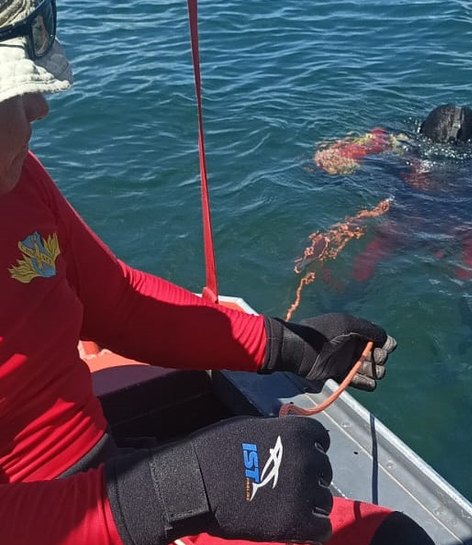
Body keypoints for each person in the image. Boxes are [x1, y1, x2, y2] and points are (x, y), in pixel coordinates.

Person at [0, 1, 435, 545]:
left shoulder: (21, 183)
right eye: (15, 95)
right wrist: (179, 492)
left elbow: (119, 304)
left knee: (392, 537)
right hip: (77, 515)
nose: (39, 107)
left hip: (103, 478)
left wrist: (289, 345)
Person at [311, 104, 472, 379]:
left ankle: (334, 318)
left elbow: (327, 163)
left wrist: (370, 141)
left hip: (416, 217)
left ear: (421, 132)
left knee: (369, 258)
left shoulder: (405, 151)